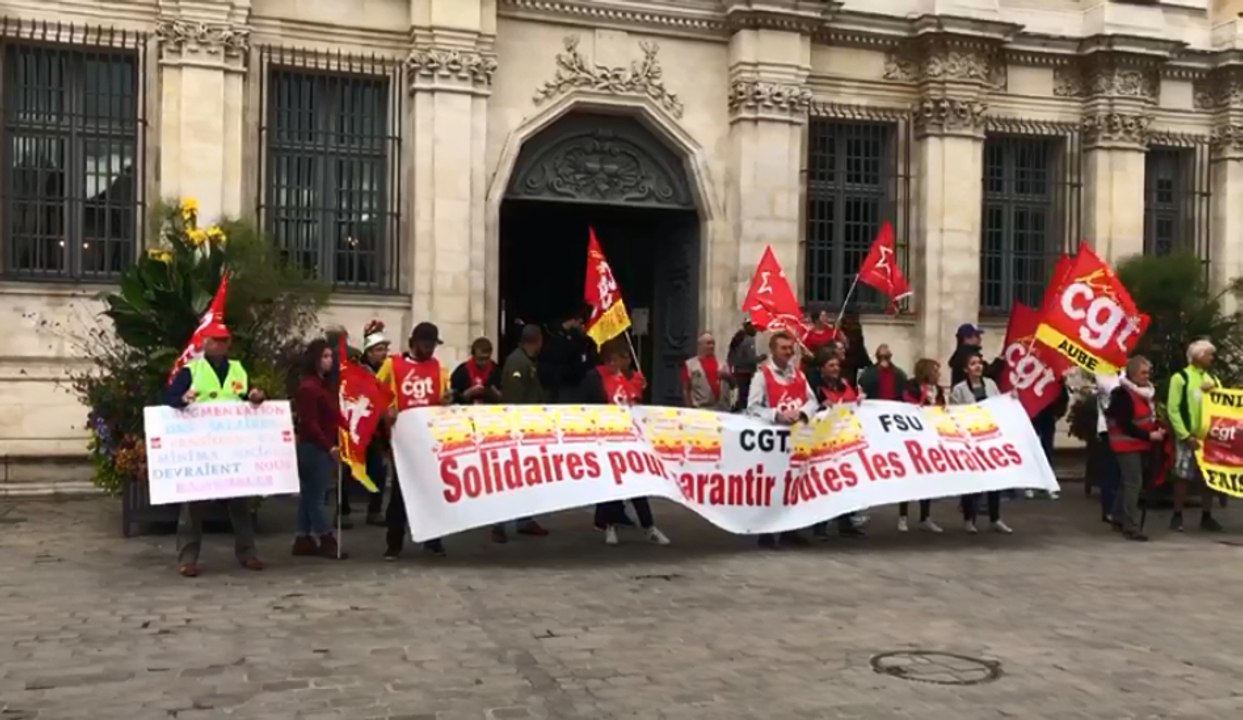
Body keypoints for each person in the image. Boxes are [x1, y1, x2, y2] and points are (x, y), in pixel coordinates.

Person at [164, 323, 266, 577]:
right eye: (214, 340)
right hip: (200, 449)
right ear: (204, 343)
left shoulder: (237, 370)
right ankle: (188, 558)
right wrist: (183, 399)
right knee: (193, 503)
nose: (219, 345)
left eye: (223, 341)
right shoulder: (191, 370)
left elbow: (246, 396)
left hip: (232, 448)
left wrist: (254, 396)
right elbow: (169, 398)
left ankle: (248, 553)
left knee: (240, 502)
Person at [582, 339, 671, 546]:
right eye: (624, 357)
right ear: (612, 359)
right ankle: (609, 525)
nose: (628, 361)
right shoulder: (595, 378)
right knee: (613, 483)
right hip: (607, 438)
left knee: (638, 483)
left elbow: (636, 406)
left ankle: (648, 526)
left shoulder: (633, 378)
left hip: (631, 439)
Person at [377, 322, 452, 559]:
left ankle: (433, 540)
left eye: (432, 345)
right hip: (402, 441)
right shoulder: (393, 365)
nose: (430, 350)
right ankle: (394, 542)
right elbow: (373, 392)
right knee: (399, 494)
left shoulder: (439, 369)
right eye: (426, 344)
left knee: (431, 492)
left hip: (428, 442)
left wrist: (447, 401)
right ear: (414, 343)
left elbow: (442, 398)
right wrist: (385, 411)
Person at [746, 331, 819, 549]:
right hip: (772, 442)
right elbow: (752, 407)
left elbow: (812, 400)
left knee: (793, 484)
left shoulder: (798, 375)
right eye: (783, 348)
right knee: (772, 487)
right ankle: (767, 533)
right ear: (773, 350)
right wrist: (777, 415)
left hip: (795, 440)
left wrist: (803, 413)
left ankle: (790, 530)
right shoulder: (762, 376)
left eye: (790, 348)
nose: (788, 352)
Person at [495, 324, 552, 542]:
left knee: (525, 478)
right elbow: (514, 397)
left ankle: (524, 519)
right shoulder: (517, 362)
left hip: (529, 428)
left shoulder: (527, 361)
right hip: (517, 429)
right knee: (509, 479)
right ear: (536, 341)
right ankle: (498, 524)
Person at [291, 338, 347, 559]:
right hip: (313, 448)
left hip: (321, 445)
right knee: (316, 496)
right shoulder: (308, 388)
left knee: (309, 496)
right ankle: (325, 537)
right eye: (324, 357)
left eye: (331, 356)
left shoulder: (324, 386)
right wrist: (329, 446)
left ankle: (303, 536)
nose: (329, 361)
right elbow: (310, 423)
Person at [949, 354, 1012, 534]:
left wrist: (1010, 399)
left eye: (979, 363)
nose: (978, 366)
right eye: (973, 363)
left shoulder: (991, 384)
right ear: (966, 369)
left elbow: (1000, 404)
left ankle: (995, 518)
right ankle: (969, 519)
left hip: (990, 439)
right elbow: (954, 413)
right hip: (970, 441)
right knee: (971, 481)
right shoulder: (959, 390)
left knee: (994, 481)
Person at [1167, 339, 1225, 532]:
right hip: (1188, 436)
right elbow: (1173, 409)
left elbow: (1223, 407)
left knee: (1208, 478)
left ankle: (1207, 515)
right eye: (1208, 354)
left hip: (1209, 438)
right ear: (1198, 356)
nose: (1212, 358)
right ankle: (1177, 515)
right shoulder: (1180, 378)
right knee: (1182, 476)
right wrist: (1184, 435)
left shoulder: (1213, 380)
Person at [809, 347, 867, 540]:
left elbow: (851, 403)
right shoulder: (815, 388)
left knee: (846, 482)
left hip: (845, 441)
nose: (835, 368)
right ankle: (820, 525)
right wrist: (820, 406)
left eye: (837, 365)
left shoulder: (844, 384)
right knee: (824, 483)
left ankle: (845, 521)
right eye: (831, 365)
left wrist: (859, 402)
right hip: (823, 441)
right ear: (822, 368)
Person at [1106, 356, 1164, 542]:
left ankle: (1117, 517)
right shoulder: (1123, 395)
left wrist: (1155, 429)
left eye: (1148, 372)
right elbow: (1125, 424)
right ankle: (1131, 526)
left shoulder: (1143, 393)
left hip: (1138, 443)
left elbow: (1144, 418)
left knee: (1127, 482)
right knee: (1133, 483)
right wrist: (1149, 436)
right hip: (1126, 444)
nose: (1147, 376)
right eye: (1143, 372)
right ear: (1132, 374)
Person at [897, 358, 945, 533]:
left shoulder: (938, 390)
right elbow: (908, 407)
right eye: (935, 370)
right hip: (912, 438)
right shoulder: (911, 386)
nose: (939, 374)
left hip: (930, 439)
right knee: (909, 479)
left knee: (928, 478)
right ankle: (903, 517)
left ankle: (925, 516)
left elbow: (941, 409)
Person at [358, 320, 392, 526]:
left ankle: (375, 510)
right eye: (379, 350)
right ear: (369, 352)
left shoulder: (387, 371)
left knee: (379, 472)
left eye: (385, 349)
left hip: (378, 430)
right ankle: (342, 511)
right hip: (361, 427)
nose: (383, 353)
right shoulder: (361, 372)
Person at [540, 307, 595, 403]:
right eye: (581, 323)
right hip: (561, 385)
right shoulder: (552, 334)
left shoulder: (579, 338)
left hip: (576, 383)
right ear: (575, 320)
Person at [1026, 378, 1068, 501]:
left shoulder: (1053, 376)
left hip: (1047, 415)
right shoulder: (1030, 373)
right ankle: (1031, 484)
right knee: (1033, 450)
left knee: (1047, 450)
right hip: (1033, 415)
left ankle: (1048, 484)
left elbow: (1062, 396)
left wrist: (1057, 413)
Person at [1093, 372, 1123, 524]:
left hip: (1125, 428)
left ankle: (1120, 508)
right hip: (1107, 428)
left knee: (1121, 471)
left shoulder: (1126, 372)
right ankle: (1109, 509)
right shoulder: (1103, 374)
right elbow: (1113, 391)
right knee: (1110, 470)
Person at [682, 332, 731, 410]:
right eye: (708, 343)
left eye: (713, 343)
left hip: (722, 410)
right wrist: (689, 409)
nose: (711, 346)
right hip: (701, 410)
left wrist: (727, 376)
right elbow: (686, 389)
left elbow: (734, 385)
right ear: (700, 345)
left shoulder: (722, 364)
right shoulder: (690, 365)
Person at [451, 337, 502, 405]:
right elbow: (453, 398)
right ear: (473, 356)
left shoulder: (496, 371)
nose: (484, 362)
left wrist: (495, 394)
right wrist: (465, 395)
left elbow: (503, 397)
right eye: (480, 359)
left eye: (487, 358)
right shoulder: (461, 372)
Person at [727, 319, 760, 412]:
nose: (756, 330)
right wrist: (761, 358)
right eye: (755, 327)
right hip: (745, 372)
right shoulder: (748, 340)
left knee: (741, 395)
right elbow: (750, 358)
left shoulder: (738, 338)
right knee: (744, 396)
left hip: (738, 371)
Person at [947, 323, 984, 387]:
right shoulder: (967, 355)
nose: (980, 339)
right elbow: (984, 373)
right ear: (966, 338)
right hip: (969, 392)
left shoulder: (959, 355)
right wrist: (999, 362)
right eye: (977, 336)